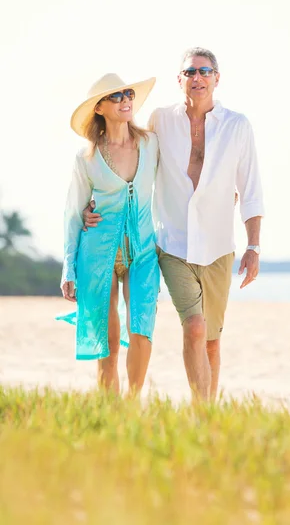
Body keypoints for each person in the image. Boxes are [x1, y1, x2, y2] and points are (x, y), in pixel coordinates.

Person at [84, 48, 265, 401]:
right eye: (190, 72)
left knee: (212, 340)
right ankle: (201, 410)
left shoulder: (237, 126)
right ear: (179, 80)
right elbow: (130, 159)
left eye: (205, 71)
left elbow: (251, 190)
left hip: (218, 247)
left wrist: (254, 246)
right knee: (195, 328)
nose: (197, 78)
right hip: (173, 244)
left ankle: (205, 417)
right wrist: (97, 200)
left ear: (217, 78)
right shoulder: (160, 120)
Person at [57, 73, 160, 396]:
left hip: (143, 252)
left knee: (142, 328)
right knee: (108, 343)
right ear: (99, 108)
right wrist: (68, 267)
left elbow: (179, 181)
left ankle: (131, 404)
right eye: (116, 97)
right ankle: (111, 413)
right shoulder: (86, 157)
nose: (126, 100)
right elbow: (74, 212)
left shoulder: (151, 143)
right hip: (97, 255)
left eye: (128, 94)